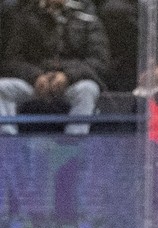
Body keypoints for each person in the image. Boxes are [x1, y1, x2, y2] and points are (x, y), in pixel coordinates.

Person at [0, 0, 109, 136]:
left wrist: (68, 76)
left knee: (88, 88)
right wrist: (35, 76)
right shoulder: (26, 15)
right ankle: (8, 147)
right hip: (35, 83)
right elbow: (12, 60)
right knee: (2, 88)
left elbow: (99, 61)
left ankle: (74, 147)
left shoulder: (87, 16)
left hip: (72, 83)